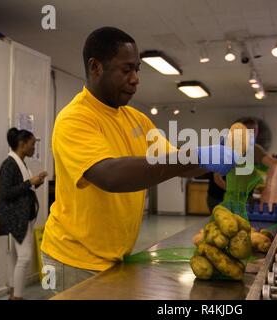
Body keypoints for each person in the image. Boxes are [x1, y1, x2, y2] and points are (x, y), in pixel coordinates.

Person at [40, 27, 239, 293]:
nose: (135, 79)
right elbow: (110, 175)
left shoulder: (136, 120)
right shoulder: (75, 119)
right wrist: (197, 155)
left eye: (138, 70)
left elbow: (173, 161)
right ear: (96, 67)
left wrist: (213, 160)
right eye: (126, 69)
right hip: (74, 260)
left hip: (116, 257)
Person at [0, 128, 48, 300]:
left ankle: (13, 291)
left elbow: (24, 188)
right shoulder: (9, 164)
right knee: (24, 257)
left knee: (16, 256)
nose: (34, 148)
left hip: (23, 214)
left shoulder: (21, 162)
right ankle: (16, 297)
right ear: (22, 144)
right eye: (32, 145)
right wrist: (29, 183)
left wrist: (36, 182)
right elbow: (5, 193)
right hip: (15, 216)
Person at [205, 117, 277, 212]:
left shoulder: (253, 148)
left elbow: (270, 163)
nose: (253, 134)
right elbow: (217, 178)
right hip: (219, 198)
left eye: (255, 130)